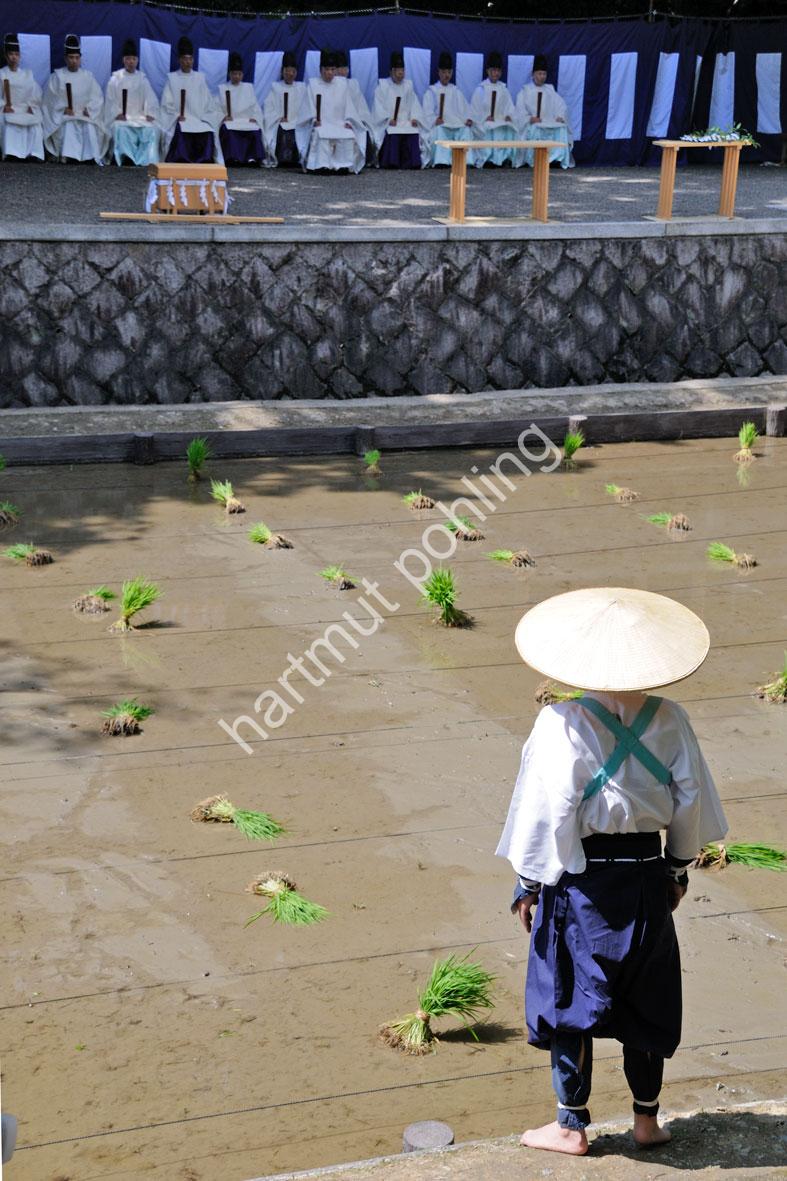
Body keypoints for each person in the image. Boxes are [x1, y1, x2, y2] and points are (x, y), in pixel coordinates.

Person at [497, 586, 728, 1156]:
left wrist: (529, 884)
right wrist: (676, 871)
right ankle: (647, 1121)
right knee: (646, 996)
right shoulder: (671, 719)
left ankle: (570, 1126)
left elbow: (546, 811)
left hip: (582, 880)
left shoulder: (560, 721)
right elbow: (692, 800)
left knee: (569, 995)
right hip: (648, 874)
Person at [43, 34, 107, 163]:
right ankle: (69, 155)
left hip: (83, 114)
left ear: (80, 59)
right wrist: (62, 110)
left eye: (77, 58)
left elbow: (97, 98)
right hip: (65, 116)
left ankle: (89, 157)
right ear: (66, 59)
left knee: (88, 124)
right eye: (71, 57)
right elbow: (49, 102)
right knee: (69, 123)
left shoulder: (88, 77)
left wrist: (89, 109)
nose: (74, 61)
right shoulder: (57, 77)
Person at [160, 36, 220, 164]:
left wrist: (205, 117)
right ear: (180, 60)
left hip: (198, 118)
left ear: (193, 60)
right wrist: (176, 116)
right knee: (182, 129)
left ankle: (204, 160)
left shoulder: (200, 78)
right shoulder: (172, 79)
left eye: (190, 59)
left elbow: (208, 103)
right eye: (185, 59)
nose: (188, 62)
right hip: (179, 119)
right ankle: (181, 159)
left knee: (207, 130)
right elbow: (166, 105)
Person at [305, 49, 365, 174]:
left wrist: (348, 120)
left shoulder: (342, 84)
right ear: (321, 70)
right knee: (322, 135)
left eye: (332, 69)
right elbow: (308, 107)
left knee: (347, 134)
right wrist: (314, 120)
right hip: (322, 123)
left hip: (339, 122)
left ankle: (343, 165)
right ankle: (322, 165)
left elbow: (349, 106)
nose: (330, 73)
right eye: (327, 70)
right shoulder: (313, 84)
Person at [103, 38, 160, 166]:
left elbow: (151, 98)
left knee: (151, 129)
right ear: (124, 60)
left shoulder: (142, 79)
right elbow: (110, 101)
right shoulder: (115, 79)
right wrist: (117, 113)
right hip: (122, 117)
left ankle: (144, 159)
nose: (131, 62)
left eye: (134, 59)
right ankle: (126, 157)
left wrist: (149, 112)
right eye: (128, 59)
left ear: (137, 60)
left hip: (140, 116)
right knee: (121, 128)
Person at [515, 55, 573, 169]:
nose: (542, 77)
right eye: (539, 74)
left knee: (561, 128)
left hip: (548, 122)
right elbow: (519, 111)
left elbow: (561, 105)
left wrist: (560, 116)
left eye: (544, 74)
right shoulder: (525, 91)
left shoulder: (550, 90)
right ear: (533, 74)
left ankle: (556, 158)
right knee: (536, 128)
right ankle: (535, 159)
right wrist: (529, 118)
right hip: (533, 124)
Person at [372, 50, 424, 169]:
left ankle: (412, 163)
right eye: (398, 72)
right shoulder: (383, 86)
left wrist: (414, 117)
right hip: (391, 122)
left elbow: (414, 103)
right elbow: (378, 107)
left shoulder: (408, 85)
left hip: (406, 121)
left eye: (403, 71)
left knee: (413, 131)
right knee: (393, 131)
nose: (401, 74)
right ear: (391, 72)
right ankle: (392, 162)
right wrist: (387, 119)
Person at [421, 50, 473, 168]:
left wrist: (468, 119)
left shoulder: (456, 90)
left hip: (455, 124)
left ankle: (465, 161)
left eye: (449, 72)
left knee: (465, 130)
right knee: (440, 131)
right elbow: (426, 113)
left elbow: (464, 109)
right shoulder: (432, 91)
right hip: (442, 125)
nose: (446, 75)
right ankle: (442, 161)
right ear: (439, 72)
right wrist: (434, 120)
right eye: (444, 72)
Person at [262, 50, 313, 168]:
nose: (290, 74)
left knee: (300, 130)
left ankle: (298, 159)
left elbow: (307, 107)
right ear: (282, 72)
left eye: (293, 71)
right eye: (287, 71)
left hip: (297, 121)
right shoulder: (275, 87)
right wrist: (278, 118)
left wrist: (301, 119)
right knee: (282, 129)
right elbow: (268, 108)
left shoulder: (301, 87)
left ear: (296, 72)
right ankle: (283, 159)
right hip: (281, 121)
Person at [0, 32, 44, 161]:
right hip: (8, 108)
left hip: (25, 108)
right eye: (11, 54)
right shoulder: (1, 74)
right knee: (7, 121)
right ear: (6, 57)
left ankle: (34, 154)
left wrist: (32, 105)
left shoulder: (27, 74)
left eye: (16, 55)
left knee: (35, 121)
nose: (14, 58)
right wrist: (4, 106)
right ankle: (11, 153)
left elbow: (35, 93)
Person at [470, 50, 516, 168]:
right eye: (493, 70)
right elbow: (474, 111)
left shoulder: (504, 89)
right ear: (488, 71)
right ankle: (487, 158)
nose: (496, 73)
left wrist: (508, 116)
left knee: (508, 127)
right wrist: (484, 117)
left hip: (500, 121)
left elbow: (509, 107)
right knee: (488, 127)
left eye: (498, 71)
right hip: (485, 122)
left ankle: (503, 158)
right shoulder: (480, 90)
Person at [218, 52, 264, 165]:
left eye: (239, 74)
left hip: (247, 121)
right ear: (230, 74)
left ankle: (252, 157)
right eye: (234, 74)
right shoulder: (222, 88)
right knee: (229, 131)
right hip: (231, 121)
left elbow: (255, 106)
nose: (236, 76)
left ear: (242, 74)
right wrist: (223, 117)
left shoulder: (248, 88)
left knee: (255, 130)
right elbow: (216, 108)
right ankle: (233, 157)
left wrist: (255, 117)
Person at [333, 49, 375, 167]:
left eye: (345, 68)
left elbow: (360, 107)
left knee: (361, 130)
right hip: (335, 121)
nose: (342, 71)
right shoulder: (331, 86)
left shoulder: (353, 84)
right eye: (339, 68)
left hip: (353, 120)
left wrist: (357, 120)